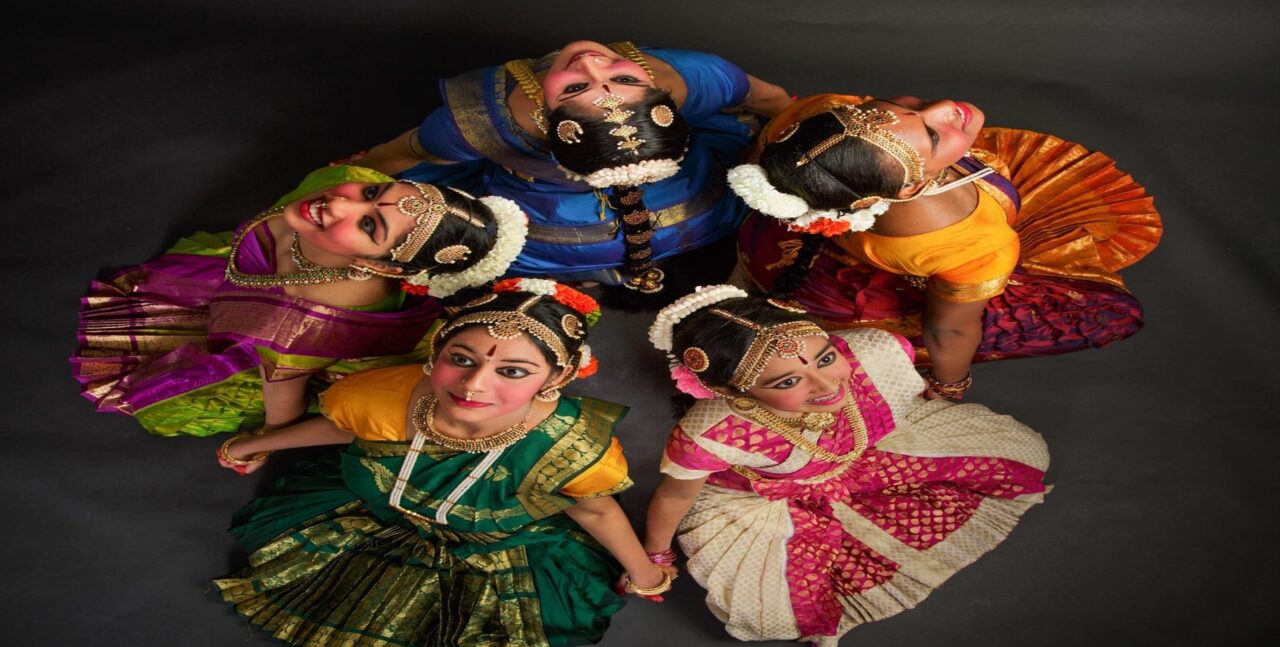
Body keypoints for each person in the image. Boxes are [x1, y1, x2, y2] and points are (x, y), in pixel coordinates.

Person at [213, 280, 669, 646]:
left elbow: (593, 508)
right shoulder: (386, 395)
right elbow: (351, 428)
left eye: (511, 371)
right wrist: (259, 443)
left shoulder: (570, 446)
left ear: (559, 377)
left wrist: (643, 573)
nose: (473, 384)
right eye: (460, 359)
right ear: (437, 354)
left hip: (497, 547)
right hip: (382, 518)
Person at [641, 286, 1049, 645]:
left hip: (862, 457)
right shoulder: (712, 433)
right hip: (766, 498)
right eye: (787, 382)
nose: (826, 385)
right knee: (775, 614)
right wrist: (655, 556)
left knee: (1018, 458)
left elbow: (914, 395)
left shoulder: (874, 350)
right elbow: (674, 494)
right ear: (734, 393)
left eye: (825, 357)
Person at [731, 94, 1162, 399]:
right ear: (914, 187)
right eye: (934, 138)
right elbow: (950, 328)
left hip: (772, 241)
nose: (939, 107)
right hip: (845, 284)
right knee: (1106, 315)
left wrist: (917, 132)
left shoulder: (819, 118)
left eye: (903, 109)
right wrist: (950, 383)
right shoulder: (967, 241)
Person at [72, 165, 528, 436]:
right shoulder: (344, 180)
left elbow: (282, 385)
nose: (339, 204)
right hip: (230, 287)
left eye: (369, 226)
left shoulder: (312, 323)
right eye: (373, 194)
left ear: (387, 268)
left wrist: (269, 440)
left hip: (280, 351)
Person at [354, 39, 792, 292]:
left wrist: (354, 174)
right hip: (695, 207)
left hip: (557, 227)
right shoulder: (694, 76)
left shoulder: (479, 126)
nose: (589, 60)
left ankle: (591, 273)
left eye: (578, 86)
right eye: (619, 81)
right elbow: (772, 100)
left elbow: (399, 155)